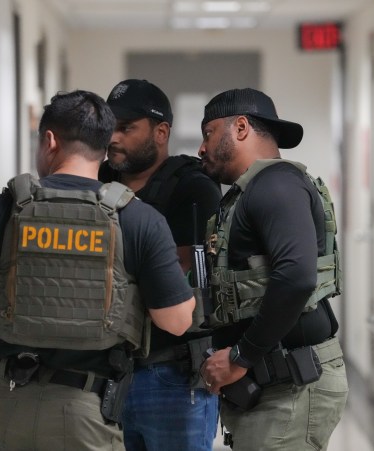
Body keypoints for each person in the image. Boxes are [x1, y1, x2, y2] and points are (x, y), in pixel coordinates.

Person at [0, 90, 196, 451]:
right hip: (86, 408)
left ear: (49, 140)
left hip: (4, 403)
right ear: (104, 147)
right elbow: (177, 321)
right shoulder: (139, 220)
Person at [198, 87, 348, 450]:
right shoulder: (251, 192)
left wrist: (240, 356)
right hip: (273, 386)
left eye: (209, 133)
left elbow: (296, 277)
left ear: (241, 128)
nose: (202, 148)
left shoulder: (276, 184)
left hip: (289, 387)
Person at [99, 79, 222, 451]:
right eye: (109, 128)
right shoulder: (97, 181)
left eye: (126, 128)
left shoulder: (192, 188)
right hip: (106, 372)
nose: (113, 139)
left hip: (171, 373)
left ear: (161, 132)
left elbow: (176, 279)